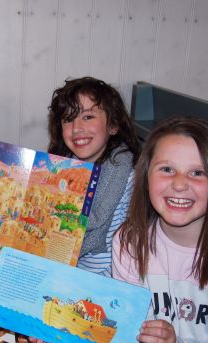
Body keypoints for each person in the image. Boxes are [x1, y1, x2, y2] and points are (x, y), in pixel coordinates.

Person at [112, 116, 208, 342]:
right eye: (167, 169)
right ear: (145, 177)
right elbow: (125, 328)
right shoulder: (129, 242)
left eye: (197, 173)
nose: (180, 183)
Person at [48, 76, 140, 275]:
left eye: (88, 117)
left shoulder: (127, 178)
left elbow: (129, 255)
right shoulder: (60, 168)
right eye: (68, 119)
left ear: (113, 125)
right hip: (65, 270)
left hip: (108, 279)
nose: (77, 128)